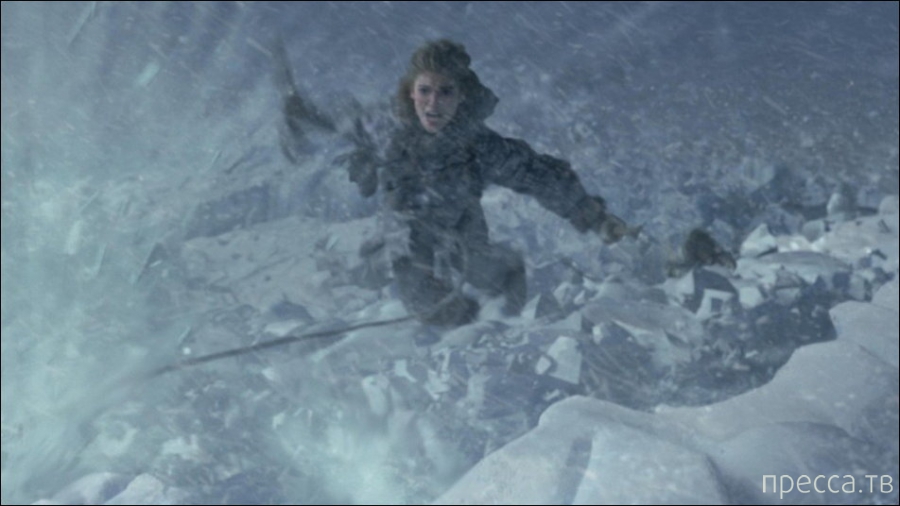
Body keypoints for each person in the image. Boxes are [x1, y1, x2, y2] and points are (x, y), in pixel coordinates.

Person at [341, 39, 630, 327]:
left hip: (463, 229)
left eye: (446, 92)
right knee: (406, 268)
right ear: (411, 92)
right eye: (425, 90)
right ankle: (447, 318)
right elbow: (339, 123)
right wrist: (362, 161)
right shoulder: (388, 132)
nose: (433, 103)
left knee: (493, 277)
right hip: (406, 234)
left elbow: (537, 174)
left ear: (462, 95)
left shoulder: (476, 145)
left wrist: (594, 217)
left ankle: (500, 316)